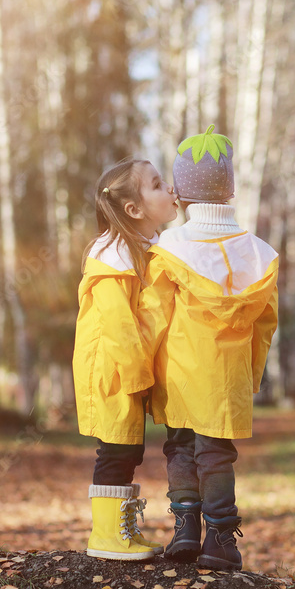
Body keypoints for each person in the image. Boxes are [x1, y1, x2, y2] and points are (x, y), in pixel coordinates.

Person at [139, 125, 279, 570]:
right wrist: (249, 375)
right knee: (217, 454)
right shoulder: (260, 255)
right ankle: (222, 540)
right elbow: (264, 325)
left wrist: (143, 371)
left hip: (179, 372)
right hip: (227, 375)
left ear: (178, 193)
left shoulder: (169, 249)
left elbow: (153, 317)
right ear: (231, 190)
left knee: (179, 448)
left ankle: (184, 531)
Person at [72, 158, 178, 560]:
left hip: (126, 369)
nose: (169, 189)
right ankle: (105, 536)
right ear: (133, 209)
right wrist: (138, 377)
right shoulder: (113, 254)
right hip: (113, 372)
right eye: (156, 184)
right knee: (115, 449)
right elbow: (117, 324)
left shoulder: (141, 249)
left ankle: (120, 530)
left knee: (128, 450)